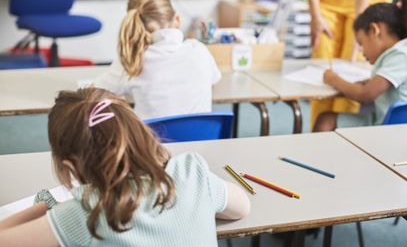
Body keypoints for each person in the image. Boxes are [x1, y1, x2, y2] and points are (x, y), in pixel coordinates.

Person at [0, 88, 250, 246]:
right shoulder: (191, 171)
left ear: (71, 166)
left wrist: (48, 203)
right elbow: (241, 207)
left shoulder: (87, 211)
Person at [314, 0, 407, 131]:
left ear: (374, 30)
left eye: (361, 43)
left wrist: (333, 79)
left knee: (325, 120)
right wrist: (368, 81)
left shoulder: (402, 55)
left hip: (396, 130)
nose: (362, 51)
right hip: (403, 126)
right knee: (327, 118)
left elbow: (365, 95)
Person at [95, 0, 221, 120]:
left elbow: (94, 93)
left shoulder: (133, 60)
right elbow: (213, 83)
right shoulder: (200, 50)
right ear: (177, 20)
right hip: (203, 139)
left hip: (153, 139)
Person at [307, 0, 392, 130]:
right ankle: (318, 139)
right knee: (320, 79)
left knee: (352, 75)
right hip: (329, 4)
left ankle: (344, 140)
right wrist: (315, 15)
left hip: (368, 4)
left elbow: (364, 93)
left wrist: (360, 29)